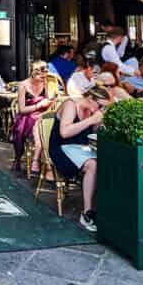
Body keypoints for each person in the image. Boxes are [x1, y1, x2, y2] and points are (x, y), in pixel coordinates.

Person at [48, 92, 103, 232]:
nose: (100, 109)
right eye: (100, 105)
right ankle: (87, 213)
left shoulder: (92, 110)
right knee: (93, 165)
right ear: (90, 98)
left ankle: (104, 209)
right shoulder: (71, 104)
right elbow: (64, 133)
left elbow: (90, 132)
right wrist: (90, 120)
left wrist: (99, 123)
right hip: (61, 148)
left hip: (81, 147)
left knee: (109, 160)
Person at [13, 61, 52, 173]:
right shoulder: (23, 85)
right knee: (38, 123)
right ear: (34, 74)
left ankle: (45, 161)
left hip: (42, 114)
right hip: (26, 116)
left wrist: (50, 100)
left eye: (45, 75)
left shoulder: (46, 82)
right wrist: (38, 105)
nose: (44, 78)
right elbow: (22, 109)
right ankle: (37, 159)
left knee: (50, 123)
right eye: (41, 76)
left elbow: (49, 102)